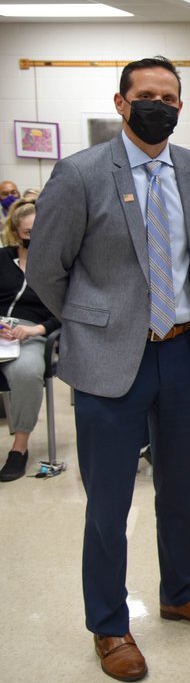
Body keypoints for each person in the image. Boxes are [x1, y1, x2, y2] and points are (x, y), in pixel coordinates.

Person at [26, 57, 190, 682]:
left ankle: (181, 591)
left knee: (182, 488)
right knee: (109, 502)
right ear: (121, 103)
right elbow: (46, 267)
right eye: (145, 95)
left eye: (168, 98)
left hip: (183, 352)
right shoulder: (80, 173)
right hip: (108, 360)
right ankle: (110, 624)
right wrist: (94, 322)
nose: (157, 106)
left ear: (181, 107)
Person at [0, 201, 60, 481]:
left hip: (31, 332)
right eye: (27, 233)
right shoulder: (2, 258)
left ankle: (19, 448)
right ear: (15, 233)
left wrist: (36, 329)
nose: (34, 238)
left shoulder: (56, 267)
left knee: (27, 372)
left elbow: (63, 311)